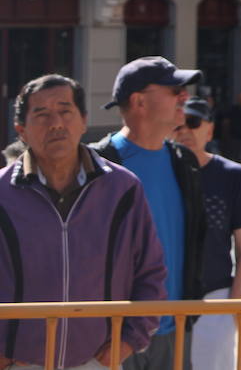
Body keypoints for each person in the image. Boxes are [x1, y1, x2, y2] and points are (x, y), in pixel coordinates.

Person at [0, 75, 167, 370]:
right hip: (17, 361)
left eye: (65, 111)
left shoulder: (123, 189)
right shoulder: (3, 194)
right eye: (42, 114)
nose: (56, 123)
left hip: (97, 360)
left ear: (83, 121)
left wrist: (127, 341)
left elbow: (150, 273)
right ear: (21, 130)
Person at [90, 56, 207, 370]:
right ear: (139, 101)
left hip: (176, 328)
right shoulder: (96, 165)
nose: (184, 96)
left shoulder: (185, 161)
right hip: (113, 334)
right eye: (173, 90)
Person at [172, 98, 241, 370]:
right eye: (178, 125)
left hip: (215, 299)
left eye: (194, 123)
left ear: (209, 131)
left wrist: (232, 312)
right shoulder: (160, 173)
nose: (185, 130)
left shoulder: (233, 176)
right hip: (162, 301)